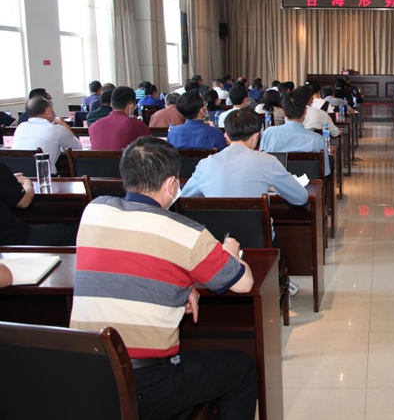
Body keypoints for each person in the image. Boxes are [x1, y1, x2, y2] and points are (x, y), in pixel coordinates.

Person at [69, 137, 257, 419]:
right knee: (242, 369)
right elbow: (244, 283)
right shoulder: (184, 232)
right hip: (144, 385)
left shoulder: (94, 211)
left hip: (87, 374)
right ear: (171, 185)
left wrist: (183, 285)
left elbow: (133, 262)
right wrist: (230, 251)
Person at [183, 109, 308, 224]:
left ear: (226, 136)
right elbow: (300, 198)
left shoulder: (205, 163)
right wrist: (276, 187)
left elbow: (185, 199)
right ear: (255, 136)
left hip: (216, 237)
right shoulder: (267, 161)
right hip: (257, 237)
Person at [0, 160, 78, 246]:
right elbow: (23, 202)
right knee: (72, 232)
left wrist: (8, 179)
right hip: (12, 238)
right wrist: (27, 183)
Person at [260, 91, 330, 176]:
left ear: (283, 112)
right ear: (305, 111)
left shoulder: (268, 134)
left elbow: (261, 165)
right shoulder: (318, 139)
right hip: (309, 183)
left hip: (275, 183)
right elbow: (325, 172)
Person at [12, 96, 82, 174]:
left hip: (19, 176)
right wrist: (65, 127)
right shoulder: (56, 129)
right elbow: (77, 149)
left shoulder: (20, 127)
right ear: (48, 111)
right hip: (44, 177)